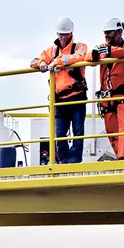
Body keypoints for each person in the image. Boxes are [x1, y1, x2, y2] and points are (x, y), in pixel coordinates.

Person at [31, 18, 89, 164]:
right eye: (60, 34)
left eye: (65, 34)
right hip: (60, 100)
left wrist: (55, 62)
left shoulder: (80, 47)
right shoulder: (52, 50)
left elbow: (79, 57)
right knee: (59, 133)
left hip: (77, 97)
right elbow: (34, 61)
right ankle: (63, 160)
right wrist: (42, 63)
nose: (62, 37)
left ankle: (74, 159)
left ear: (71, 33)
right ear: (57, 33)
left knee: (78, 131)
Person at [91, 18, 124, 160]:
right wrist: (94, 54)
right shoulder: (102, 48)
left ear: (119, 32)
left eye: (109, 33)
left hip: (123, 97)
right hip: (107, 100)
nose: (106, 36)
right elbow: (90, 59)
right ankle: (120, 157)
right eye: (105, 33)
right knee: (111, 131)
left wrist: (111, 51)